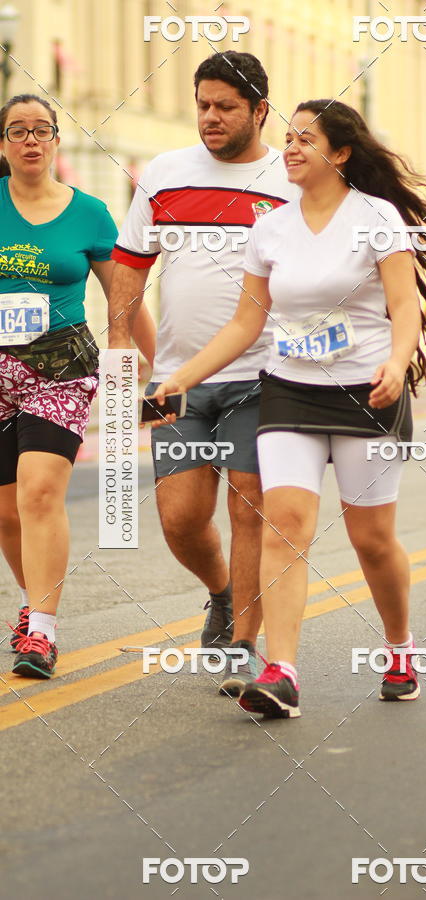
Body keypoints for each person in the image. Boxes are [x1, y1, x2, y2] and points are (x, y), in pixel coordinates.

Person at [151, 99, 426, 719]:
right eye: (289, 137)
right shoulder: (271, 228)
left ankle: (400, 646)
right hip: (290, 390)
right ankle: (282, 673)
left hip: (366, 392)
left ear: (340, 152)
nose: (292, 148)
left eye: (306, 138)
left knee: (372, 539)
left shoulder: (376, 217)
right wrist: (178, 379)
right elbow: (246, 323)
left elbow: (404, 307)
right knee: (285, 523)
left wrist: (396, 361)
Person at [107, 52, 297, 696]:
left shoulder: (288, 180)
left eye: (226, 107)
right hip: (176, 379)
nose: (210, 118)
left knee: (251, 505)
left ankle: (245, 647)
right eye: (203, 105)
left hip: (263, 373)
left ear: (260, 111)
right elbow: (130, 266)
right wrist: (120, 346)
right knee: (181, 518)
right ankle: (220, 592)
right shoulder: (163, 173)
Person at [0, 93, 155, 678]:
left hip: (59, 367)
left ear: (56, 142)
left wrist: (158, 364)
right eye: (18, 131)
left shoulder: (89, 213)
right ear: (4, 145)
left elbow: (125, 292)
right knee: (7, 513)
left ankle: (41, 631)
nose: (31, 140)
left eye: (42, 130)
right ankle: (30, 604)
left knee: (38, 493)